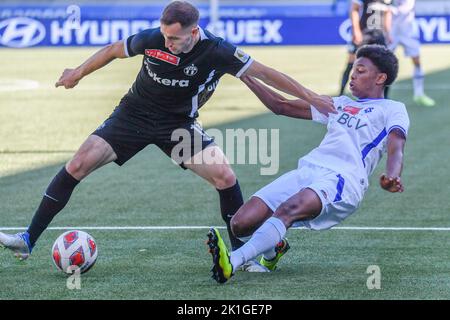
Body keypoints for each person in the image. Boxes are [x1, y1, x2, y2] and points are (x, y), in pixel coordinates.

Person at [0, 1, 335, 269]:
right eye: (164, 36)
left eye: (175, 38)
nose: (167, 42)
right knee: (77, 164)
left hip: (177, 125)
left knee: (224, 175)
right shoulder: (153, 39)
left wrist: (311, 97)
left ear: (194, 32)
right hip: (132, 115)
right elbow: (113, 50)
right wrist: (77, 73)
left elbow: (267, 73)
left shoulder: (218, 51)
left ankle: (241, 253)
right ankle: (28, 239)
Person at [207, 44, 409, 284]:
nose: (353, 74)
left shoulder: (392, 109)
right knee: (240, 225)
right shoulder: (340, 103)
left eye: (361, 70)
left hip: (342, 180)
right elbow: (280, 105)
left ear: (381, 78)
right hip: (308, 171)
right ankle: (274, 248)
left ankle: (233, 259)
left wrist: (392, 175)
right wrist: (241, 72)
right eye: (353, 68)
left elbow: (396, 147)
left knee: (288, 210)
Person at [339, 0, 392, 96]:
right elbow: (354, 9)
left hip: (378, 35)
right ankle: (341, 93)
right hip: (364, 34)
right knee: (352, 64)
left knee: (385, 66)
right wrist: (356, 31)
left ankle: (385, 97)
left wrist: (388, 33)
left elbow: (387, 13)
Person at [389, 0, 435, 107]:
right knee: (384, 63)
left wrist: (386, 7)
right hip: (391, 31)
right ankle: (380, 96)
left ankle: (419, 94)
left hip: (407, 32)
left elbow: (404, 10)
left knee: (417, 61)